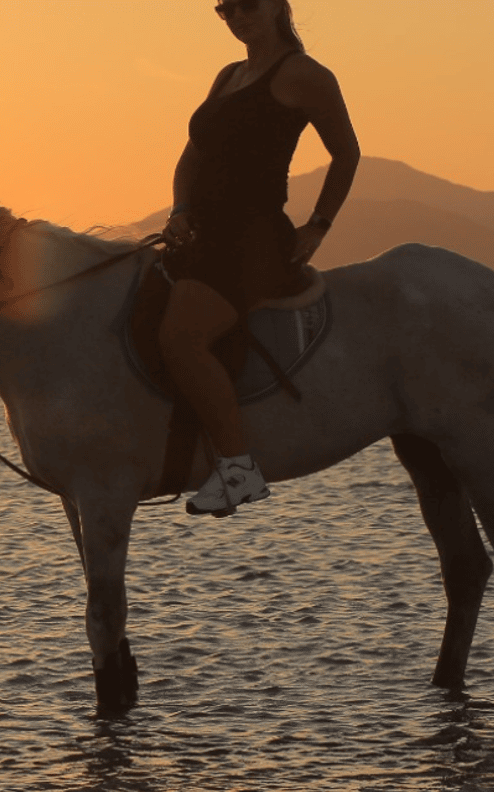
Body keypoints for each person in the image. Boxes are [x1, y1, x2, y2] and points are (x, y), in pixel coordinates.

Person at [158, 0, 360, 515]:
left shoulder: (305, 75)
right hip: (202, 236)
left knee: (181, 337)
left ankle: (237, 468)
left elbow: (346, 153)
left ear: (276, 6)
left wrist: (318, 224)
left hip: (251, 244)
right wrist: (181, 207)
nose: (236, 16)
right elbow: (191, 158)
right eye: (225, 8)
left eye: (247, 5)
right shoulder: (228, 75)